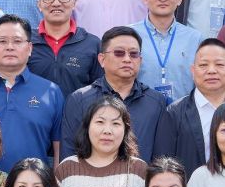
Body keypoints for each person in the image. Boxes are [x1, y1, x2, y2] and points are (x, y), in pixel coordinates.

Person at [0, 16, 67, 169]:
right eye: (2, 41)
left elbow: (59, 148)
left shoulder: (51, 92)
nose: (10, 47)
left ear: (29, 48)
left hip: (33, 182)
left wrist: (55, 182)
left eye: (17, 41)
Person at [60, 25, 168, 162]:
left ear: (140, 60)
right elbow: (68, 157)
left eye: (133, 54)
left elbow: (160, 159)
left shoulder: (155, 102)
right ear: (102, 59)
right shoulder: (80, 99)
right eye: (119, 53)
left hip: (141, 175)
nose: (127, 59)